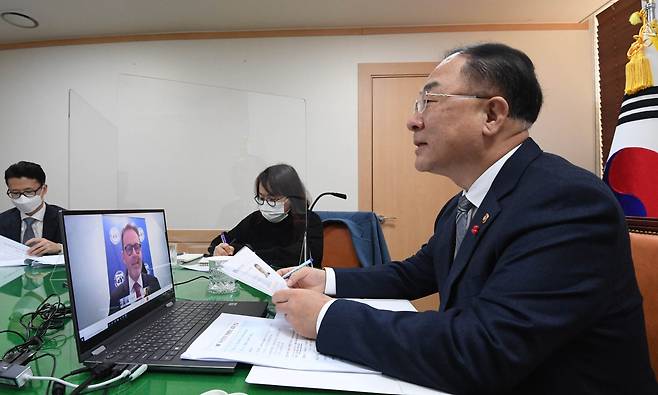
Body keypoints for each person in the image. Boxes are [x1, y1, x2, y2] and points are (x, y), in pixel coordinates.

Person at [273, 43, 658, 394]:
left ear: (492, 113)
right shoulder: (466, 203)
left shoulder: (566, 201)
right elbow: (415, 273)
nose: (412, 121)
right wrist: (327, 279)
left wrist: (326, 317)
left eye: (429, 101)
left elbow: (485, 348)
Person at [208, 164, 323, 270]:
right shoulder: (256, 219)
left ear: (292, 197)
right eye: (261, 198)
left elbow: (297, 257)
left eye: (272, 199)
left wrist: (246, 252)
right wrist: (219, 249)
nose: (266, 204)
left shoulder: (310, 221)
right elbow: (221, 240)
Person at [0, 161, 64, 256]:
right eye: (15, 193)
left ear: (44, 189)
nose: (22, 198)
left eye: (29, 192)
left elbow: (81, 251)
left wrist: (60, 248)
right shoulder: (2, 220)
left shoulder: (64, 219)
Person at [109, 224, 160, 315]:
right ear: (123, 257)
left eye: (137, 247)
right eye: (128, 249)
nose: (134, 254)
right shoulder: (115, 298)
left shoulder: (154, 283)